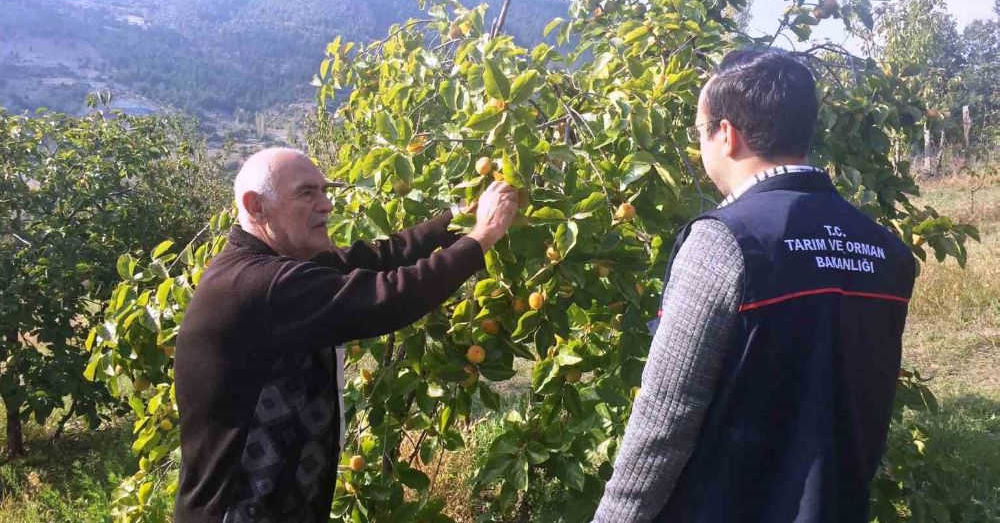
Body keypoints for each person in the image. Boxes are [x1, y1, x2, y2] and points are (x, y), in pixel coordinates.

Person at [593, 49, 916, 522]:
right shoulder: (885, 251)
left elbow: (665, 416)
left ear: (726, 135)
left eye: (699, 131)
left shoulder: (725, 243)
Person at [173, 148, 518, 523]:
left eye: (324, 190)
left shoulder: (282, 267)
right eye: (307, 193)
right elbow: (388, 297)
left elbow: (381, 256)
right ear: (256, 206)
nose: (327, 204)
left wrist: (455, 217)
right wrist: (482, 237)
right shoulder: (256, 284)